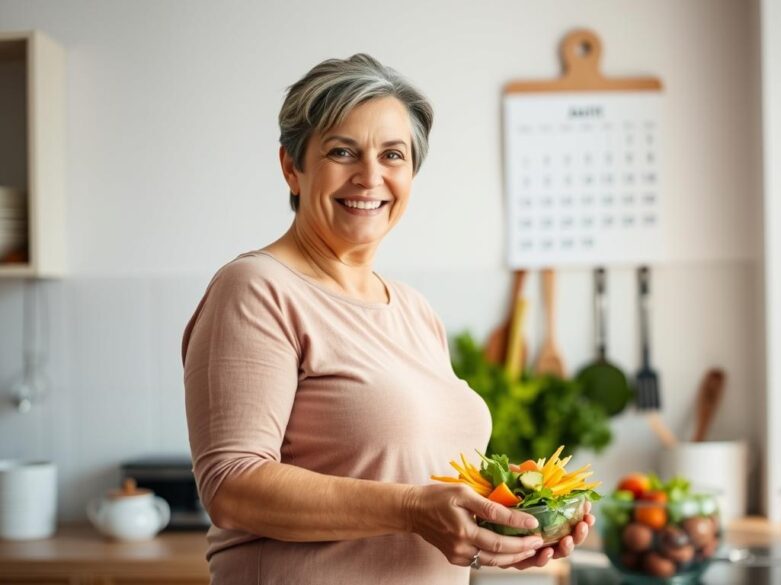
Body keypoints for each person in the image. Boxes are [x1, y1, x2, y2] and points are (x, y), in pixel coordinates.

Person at [182, 54, 594, 584]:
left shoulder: (415, 311)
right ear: (292, 166)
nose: (369, 176)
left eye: (393, 154)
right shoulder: (257, 289)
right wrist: (412, 509)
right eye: (341, 151)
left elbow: (418, 488)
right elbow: (232, 488)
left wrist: (511, 518)